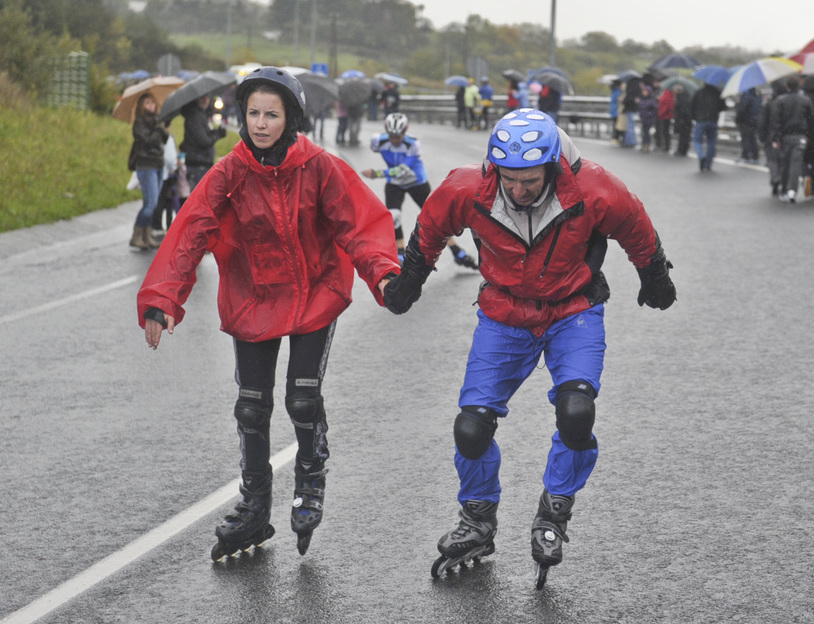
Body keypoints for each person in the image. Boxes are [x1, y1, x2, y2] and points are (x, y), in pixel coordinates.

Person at [381, 109, 677, 583]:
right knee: (471, 428)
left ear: (553, 167)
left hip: (573, 309)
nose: (519, 190)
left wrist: (655, 273)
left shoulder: (593, 188)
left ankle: (554, 510)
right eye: (510, 180)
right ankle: (478, 519)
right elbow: (431, 225)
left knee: (576, 412)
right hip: (504, 313)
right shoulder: (468, 188)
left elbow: (634, 224)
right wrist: (411, 276)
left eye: (531, 180)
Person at [136, 66, 400, 560]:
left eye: (271, 114)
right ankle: (255, 505)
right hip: (253, 296)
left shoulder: (319, 166)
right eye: (253, 113)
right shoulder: (229, 172)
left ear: (291, 118)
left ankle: (311, 477)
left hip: (313, 293)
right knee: (251, 408)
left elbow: (360, 225)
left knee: (302, 399)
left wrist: (384, 274)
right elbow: (189, 231)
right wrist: (162, 297)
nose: (260, 123)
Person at [361, 112, 477, 269]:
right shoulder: (378, 141)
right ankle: (401, 254)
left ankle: (456, 251)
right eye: (391, 136)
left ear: (405, 132)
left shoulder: (413, 144)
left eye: (398, 136)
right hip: (395, 184)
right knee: (393, 216)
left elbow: (402, 169)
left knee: (436, 218)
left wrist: (376, 173)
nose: (394, 140)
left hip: (416, 182)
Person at [129, 93, 169, 250]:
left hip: (158, 164)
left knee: (151, 202)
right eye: (147, 103)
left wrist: (163, 126)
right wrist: (158, 129)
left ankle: (147, 235)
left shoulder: (156, 121)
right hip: (146, 166)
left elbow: (164, 140)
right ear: (141, 106)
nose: (151, 105)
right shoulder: (139, 123)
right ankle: (136, 235)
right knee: (151, 203)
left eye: (153, 102)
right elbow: (147, 141)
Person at [769, 75, 814, 204]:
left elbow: (776, 122)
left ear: (787, 86)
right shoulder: (806, 100)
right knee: (796, 164)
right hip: (801, 136)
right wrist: (809, 136)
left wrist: (776, 138)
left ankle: (784, 190)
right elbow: (811, 120)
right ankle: (792, 190)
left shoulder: (780, 101)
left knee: (785, 164)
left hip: (785, 136)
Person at [179, 95, 227, 192]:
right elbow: (203, 141)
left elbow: (205, 135)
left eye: (207, 97)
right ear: (196, 99)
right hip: (198, 165)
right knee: (199, 199)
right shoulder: (195, 116)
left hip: (201, 164)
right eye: (202, 97)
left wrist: (216, 132)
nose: (205, 100)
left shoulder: (201, 115)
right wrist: (217, 135)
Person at [758, 80, 787, 195]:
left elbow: (762, 122)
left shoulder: (769, 103)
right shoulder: (787, 102)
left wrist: (762, 136)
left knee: (772, 159)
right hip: (785, 135)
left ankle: (775, 178)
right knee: (783, 160)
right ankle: (782, 180)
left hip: (771, 136)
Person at [690, 82, 726, 171]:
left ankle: (701, 156)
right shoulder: (717, 93)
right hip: (713, 121)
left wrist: (695, 117)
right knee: (711, 142)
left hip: (701, 120)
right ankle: (708, 163)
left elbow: (692, 106)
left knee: (697, 141)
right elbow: (723, 107)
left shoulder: (698, 92)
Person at [735, 87, 762, 164]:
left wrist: (738, 118)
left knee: (746, 139)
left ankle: (746, 156)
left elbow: (742, 110)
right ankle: (755, 156)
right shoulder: (757, 95)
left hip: (746, 120)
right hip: (755, 120)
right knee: (753, 138)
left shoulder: (746, 95)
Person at [672, 84, 692, 156]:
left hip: (683, 120)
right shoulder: (685, 96)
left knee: (683, 136)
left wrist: (681, 119)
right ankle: (683, 150)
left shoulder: (682, 98)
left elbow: (682, 110)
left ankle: (681, 150)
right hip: (685, 120)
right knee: (684, 136)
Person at [637, 82, 658, 152]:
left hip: (649, 119)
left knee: (646, 132)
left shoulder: (651, 100)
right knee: (643, 132)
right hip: (643, 118)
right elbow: (641, 108)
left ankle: (647, 145)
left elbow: (655, 109)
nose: (644, 93)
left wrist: (649, 114)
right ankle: (643, 144)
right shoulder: (642, 99)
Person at [656, 84, 674, 153]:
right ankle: (665, 145)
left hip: (665, 115)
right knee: (664, 131)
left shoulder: (667, 93)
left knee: (665, 131)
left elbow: (667, 105)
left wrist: (661, 112)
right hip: (664, 115)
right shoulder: (665, 93)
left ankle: (667, 146)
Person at [609, 79, 622, 143]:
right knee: (617, 125)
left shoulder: (614, 91)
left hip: (614, 110)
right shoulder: (618, 91)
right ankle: (616, 138)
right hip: (617, 111)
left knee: (615, 124)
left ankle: (615, 137)